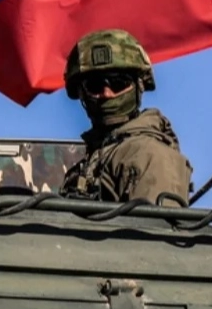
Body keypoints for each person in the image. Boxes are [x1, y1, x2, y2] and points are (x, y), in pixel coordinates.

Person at [59, 29, 193, 204]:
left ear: (139, 86)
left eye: (118, 83)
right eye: (94, 85)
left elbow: (155, 221)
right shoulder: (89, 163)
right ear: (81, 93)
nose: (107, 93)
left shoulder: (150, 155)